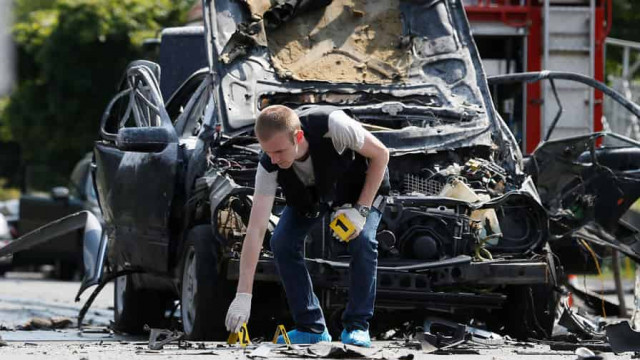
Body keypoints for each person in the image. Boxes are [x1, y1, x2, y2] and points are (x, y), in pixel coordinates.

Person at [224, 105, 389, 347]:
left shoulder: (334, 126)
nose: (275, 159)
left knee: (362, 240)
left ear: (298, 137)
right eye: (268, 152)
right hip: (315, 194)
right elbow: (256, 229)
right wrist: (243, 294)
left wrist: (361, 211)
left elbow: (381, 155)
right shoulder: (269, 164)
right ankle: (311, 326)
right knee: (281, 241)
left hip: (361, 188)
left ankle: (357, 326)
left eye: (279, 151)